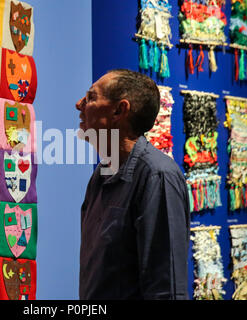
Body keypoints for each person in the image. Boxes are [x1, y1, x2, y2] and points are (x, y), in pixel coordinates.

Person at [76, 69, 190, 300]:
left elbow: (167, 290)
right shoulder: (100, 176)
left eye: (91, 98)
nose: (79, 104)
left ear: (119, 110)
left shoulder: (157, 176)